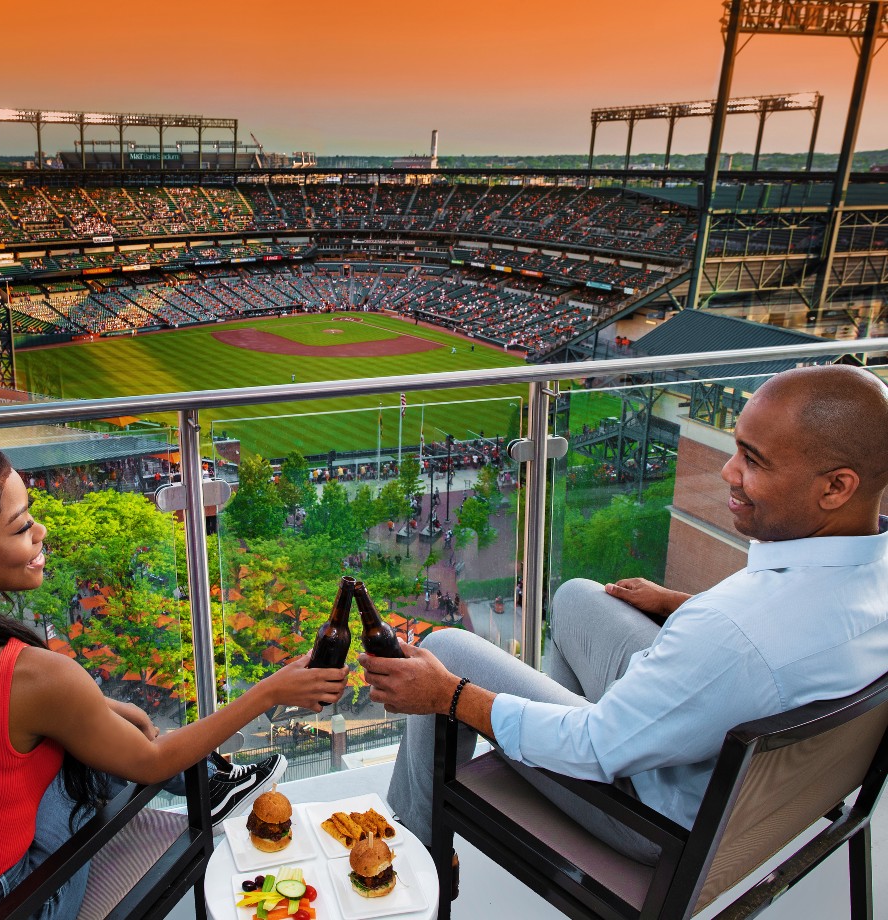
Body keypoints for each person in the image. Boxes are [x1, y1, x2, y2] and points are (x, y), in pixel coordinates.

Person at [361, 365, 888, 869]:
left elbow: (597, 744)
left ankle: (405, 867)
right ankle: (544, 734)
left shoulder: (732, 634)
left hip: (649, 821)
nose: (729, 472)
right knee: (575, 597)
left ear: (836, 487)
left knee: (448, 655)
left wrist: (449, 695)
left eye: (753, 460)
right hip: (753, 794)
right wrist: (682, 604)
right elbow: (775, 645)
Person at [0, 434, 348, 918]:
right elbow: (149, 762)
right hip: (12, 902)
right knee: (92, 760)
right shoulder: (31, 676)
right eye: (21, 528)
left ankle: (212, 781)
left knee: (92, 730)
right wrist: (270, 690)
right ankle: (208, 787)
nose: (42, 533)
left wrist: (112, 708)